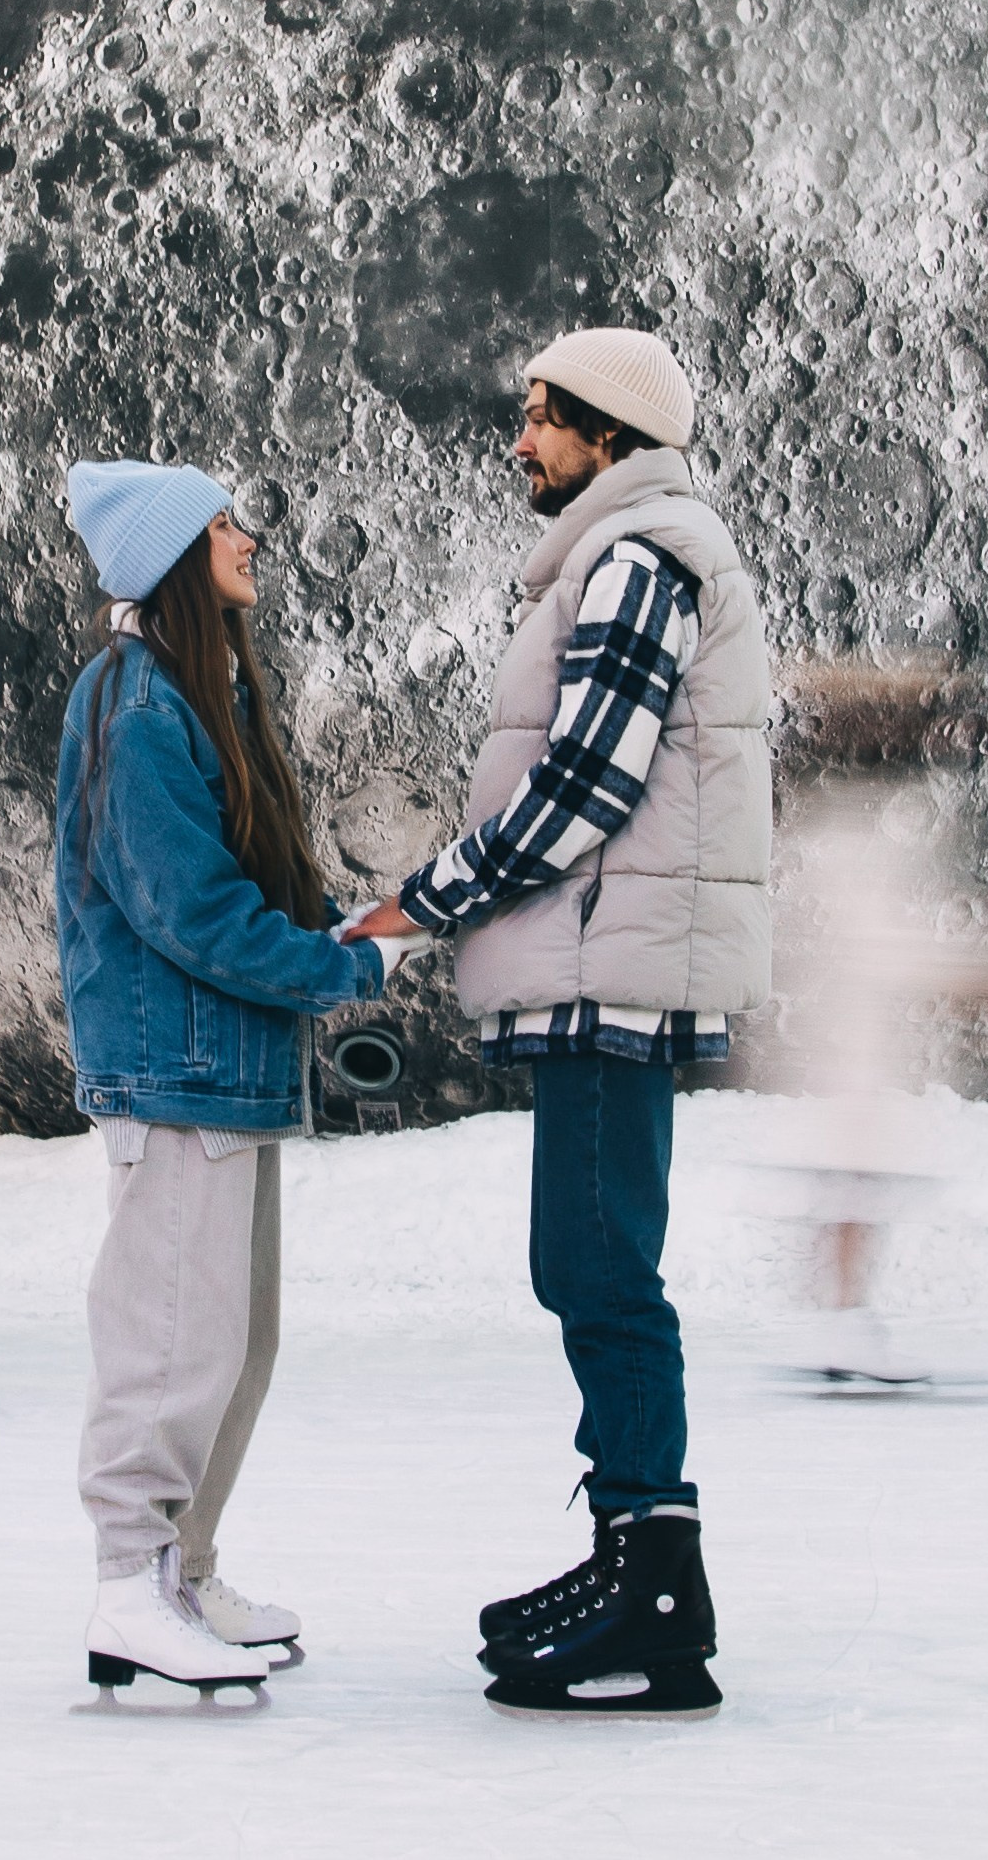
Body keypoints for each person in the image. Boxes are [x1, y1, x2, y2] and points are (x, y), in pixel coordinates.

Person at [346, 330, 771, 1721]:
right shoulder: (623, 554)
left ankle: (652, 1576)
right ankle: (637, 1557)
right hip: (605, 956)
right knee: (589, 1261)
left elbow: (583, 784)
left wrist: (428, 898)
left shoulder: (639, 558)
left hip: (610, 967)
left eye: (540, 418)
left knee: (597, 1267)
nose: (519, 441)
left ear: (607, 433)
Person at [58, 459, 422, 1702]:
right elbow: (192, 912)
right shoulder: (134, 702)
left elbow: (262, 885)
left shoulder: (198, 697)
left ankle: (181, 1572)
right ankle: (127, 1582)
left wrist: (355, 929)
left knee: (233, 1341)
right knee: (168, 1343)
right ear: (170, 556)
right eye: (223, 524)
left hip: (229, 1074)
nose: (250, 538)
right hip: (175, 1074)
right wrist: (342, 969)